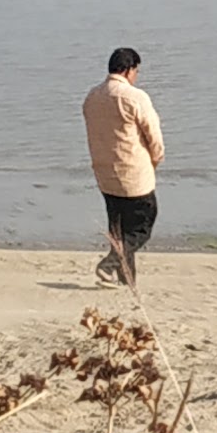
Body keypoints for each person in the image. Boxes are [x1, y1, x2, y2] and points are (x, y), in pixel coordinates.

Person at [83, 47, 165, 287]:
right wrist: (156, 160)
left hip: (105, 172)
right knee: (142, 227)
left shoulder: (92, 96)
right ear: (129, 70)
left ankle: (125, 281)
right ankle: (110, 264)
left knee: (119, 230)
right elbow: (154, 136)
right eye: (136, 71)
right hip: (133, 173)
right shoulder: (134, 97)